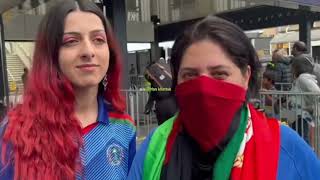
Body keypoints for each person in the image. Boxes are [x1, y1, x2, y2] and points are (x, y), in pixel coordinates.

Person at [127, 16, 320, 180]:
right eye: (190, 75)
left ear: (246, 76)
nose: (203, 88)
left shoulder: (286, 149)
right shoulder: (155, 146)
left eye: (219, 75)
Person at [0, 0, 136, 179]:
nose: (88, 51)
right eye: (71, 41)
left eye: (98, 40)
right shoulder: (17, 130)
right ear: (51, 55)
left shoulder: (124, 127)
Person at [290, 55, 320, 147]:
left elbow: (316, 92)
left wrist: (309, 107)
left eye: (293, 67)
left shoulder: (303, 78)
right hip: (298, 114)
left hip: (302, 114)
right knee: (300, 136)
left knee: (302, 138)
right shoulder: (300, 79)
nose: (292, 70)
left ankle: (307, 158)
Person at [144, 57, 178, 125]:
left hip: (160, 106)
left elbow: (153, 92)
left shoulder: (154, 75)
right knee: (174, 128)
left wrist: (148, 106)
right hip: (173, 104)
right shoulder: (170, 69)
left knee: (162, 128)